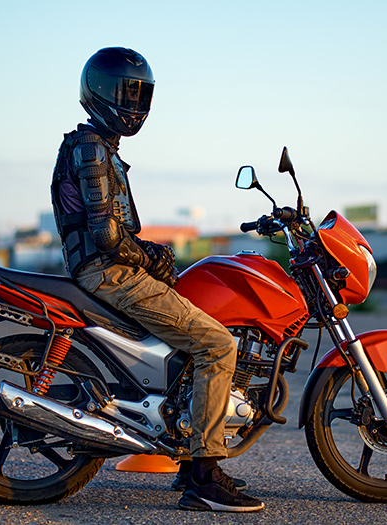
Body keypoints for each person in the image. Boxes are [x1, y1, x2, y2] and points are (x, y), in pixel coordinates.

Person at [50, 47, 264, 513]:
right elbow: (107, 235)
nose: (136, 102)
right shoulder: (90, 148)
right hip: (108, 272)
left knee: (195, 336)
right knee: (218, 345)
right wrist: (152, 255)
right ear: (102, 93)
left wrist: (151, 256)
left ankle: (189, 457)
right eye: (129, 92)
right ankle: (204, 477)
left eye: (141, 93)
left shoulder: (100, 147)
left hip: (109, 268)